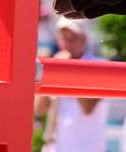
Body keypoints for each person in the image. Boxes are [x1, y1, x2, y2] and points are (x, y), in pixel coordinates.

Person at [34, 17, 108, 152]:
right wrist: (51, 74)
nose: (67, 44)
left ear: (84, 39)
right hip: (55, 148)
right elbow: (39, 109)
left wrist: (68, 71)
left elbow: (88, 108)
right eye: (63, 38)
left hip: (87, 148)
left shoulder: (98, 66)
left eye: (72, 38)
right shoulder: (56, 64)